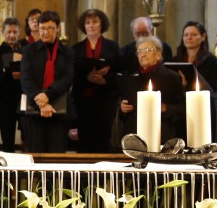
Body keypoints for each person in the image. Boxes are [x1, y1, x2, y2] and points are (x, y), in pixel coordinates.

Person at [21, 10, 74, 153]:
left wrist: (48, 95)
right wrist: (41, 101)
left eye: (50, 28)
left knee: (57, 156)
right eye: (42, 28)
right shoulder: (29, 50)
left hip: (59, 108)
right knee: (35, 156)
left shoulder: (67, 51)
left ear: (57, 28)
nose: (45, 32)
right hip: (34, 109)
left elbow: (68, 78)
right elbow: (26, 79)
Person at [118, 36, 185, 144]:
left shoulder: (171, 77)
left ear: (159, 54)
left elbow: (184, 108)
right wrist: (122, 108)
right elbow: (122, 112)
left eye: (148, 50)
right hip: (134, 137)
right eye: (139, 51)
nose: (142, 54)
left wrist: (166, 108)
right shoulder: (131, 78)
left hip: (161, 136)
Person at [71, 8, 120, 153]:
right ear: (83, 26)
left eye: (95, 22)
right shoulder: (76, 49)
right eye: (87, 22)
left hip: (105, 101)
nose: (91, 25)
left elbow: (119, 73)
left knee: (103, 140)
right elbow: (72, 75)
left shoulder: (112, 47)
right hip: (83, 101)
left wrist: (104, 80)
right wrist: (87, 78)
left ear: (101, 24)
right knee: (84, 141)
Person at [0, 18, 24, 151]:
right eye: (9, 31)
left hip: (23, 98)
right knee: (7, 138)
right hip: (3, 100)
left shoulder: (27, 50)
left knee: (27, 136)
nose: (12, 35)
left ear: (19, 32)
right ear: (2, 32)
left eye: (15, 32)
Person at [174, 20, 217, 92]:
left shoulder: (211, 61)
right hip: (178, 101)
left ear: (203, 37)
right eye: (186, 35)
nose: (189, 38)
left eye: (194, 35)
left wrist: (185, 86)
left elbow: (210, 88)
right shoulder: (175, 60)